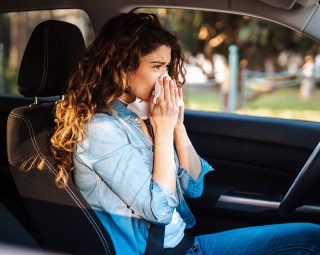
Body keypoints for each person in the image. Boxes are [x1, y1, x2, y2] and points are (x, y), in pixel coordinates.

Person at [50, 12, 320, 255]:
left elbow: (194, 186)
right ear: (122, 67)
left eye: (167, 67)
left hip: (187, 244)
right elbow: (160, 211)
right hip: (163, 252)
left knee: (311, 236)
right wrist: (164, 130)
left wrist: (177, 125)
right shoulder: (101, 130)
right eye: (156, 66)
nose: (166, 78)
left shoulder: (140, 116)